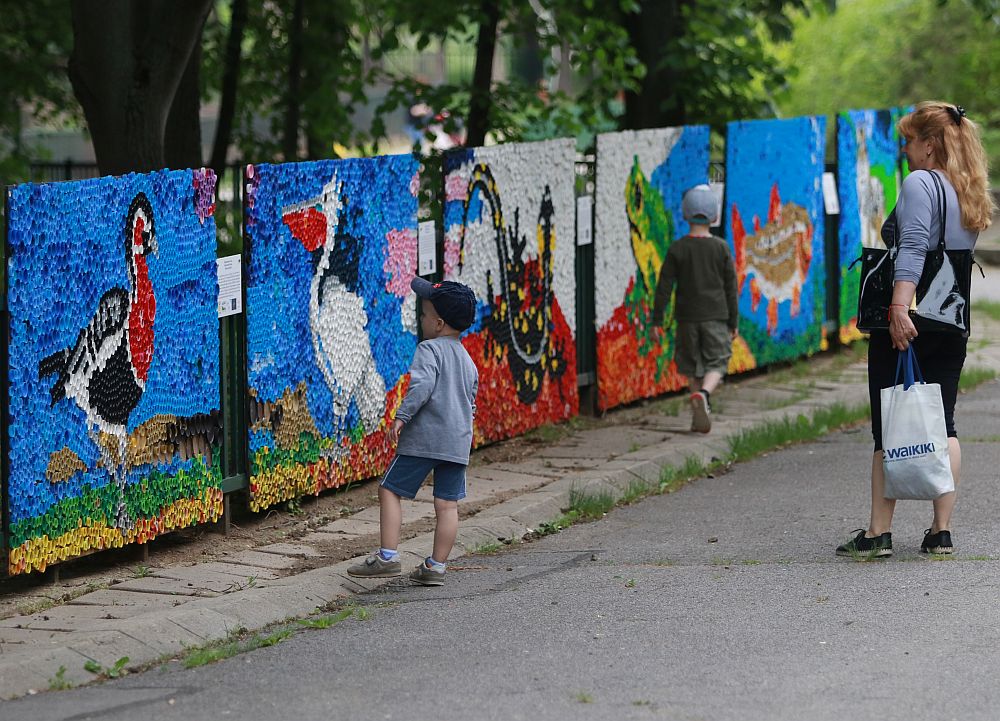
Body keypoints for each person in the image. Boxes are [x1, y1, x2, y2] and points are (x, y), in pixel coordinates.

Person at [837, 102, 996, 559]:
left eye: (908, 141)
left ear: (930, 144)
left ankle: (877, 534)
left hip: (911, 318)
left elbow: (911, 249)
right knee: (944, 422)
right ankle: (940, 531)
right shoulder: (968, 189)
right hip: (952, 318)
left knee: (889, 422)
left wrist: (898, 307)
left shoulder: (919, 183)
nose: (903, 150)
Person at [348, 278, 479, 585]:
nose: (420, 319)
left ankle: (387, 557)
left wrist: (401, 417)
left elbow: (421, 387)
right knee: (447, 504)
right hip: (457, 442)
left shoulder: (429, 350)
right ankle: (435, 567)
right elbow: (470, 404)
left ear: (438, 323)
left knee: (389, 489)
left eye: (423, 314)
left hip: (424, 440)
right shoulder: (468, 361)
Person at [652, 184, 738, 433]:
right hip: (716, 316)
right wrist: (733, 321)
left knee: (692, 365)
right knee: (718, 362)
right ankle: (704, 394)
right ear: (714, 216)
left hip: (687, 318)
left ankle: (698, 411)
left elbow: (664, 287)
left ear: (685, 214)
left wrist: (658, 320)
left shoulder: (678, 248)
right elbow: (730, 288)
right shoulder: (721, 247)